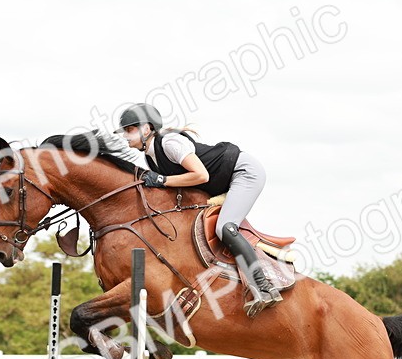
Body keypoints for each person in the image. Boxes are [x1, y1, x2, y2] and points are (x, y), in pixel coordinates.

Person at [115, 102, 281, 316]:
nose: (125, 136)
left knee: (225, 228)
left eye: (129, 130)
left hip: (243, 172)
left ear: (146, 128)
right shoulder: (150, 156)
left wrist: (163, 180)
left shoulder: (169, 143)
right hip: (222, 182)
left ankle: (264, 287)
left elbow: (201, 175)